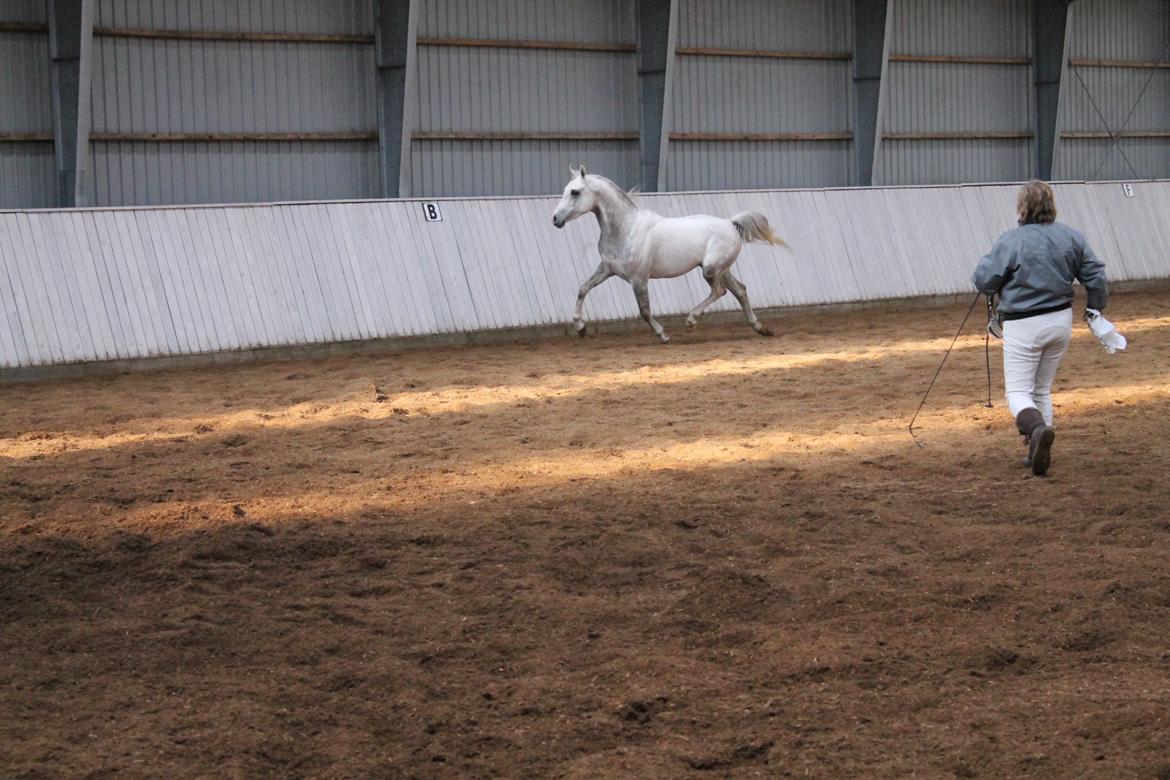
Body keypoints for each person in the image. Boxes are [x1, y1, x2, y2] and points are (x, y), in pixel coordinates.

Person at [971, 180, 1109, 476]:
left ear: (1022, 207)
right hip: (1060, 321)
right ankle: (1038, 450)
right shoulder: (1072, 237)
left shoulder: (1011, 241)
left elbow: (985, 280)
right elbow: (1095, 275)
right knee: (1041, 389)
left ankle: (1035, 432)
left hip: (1024, 323)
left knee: (1018, 393)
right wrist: (1095, 307)